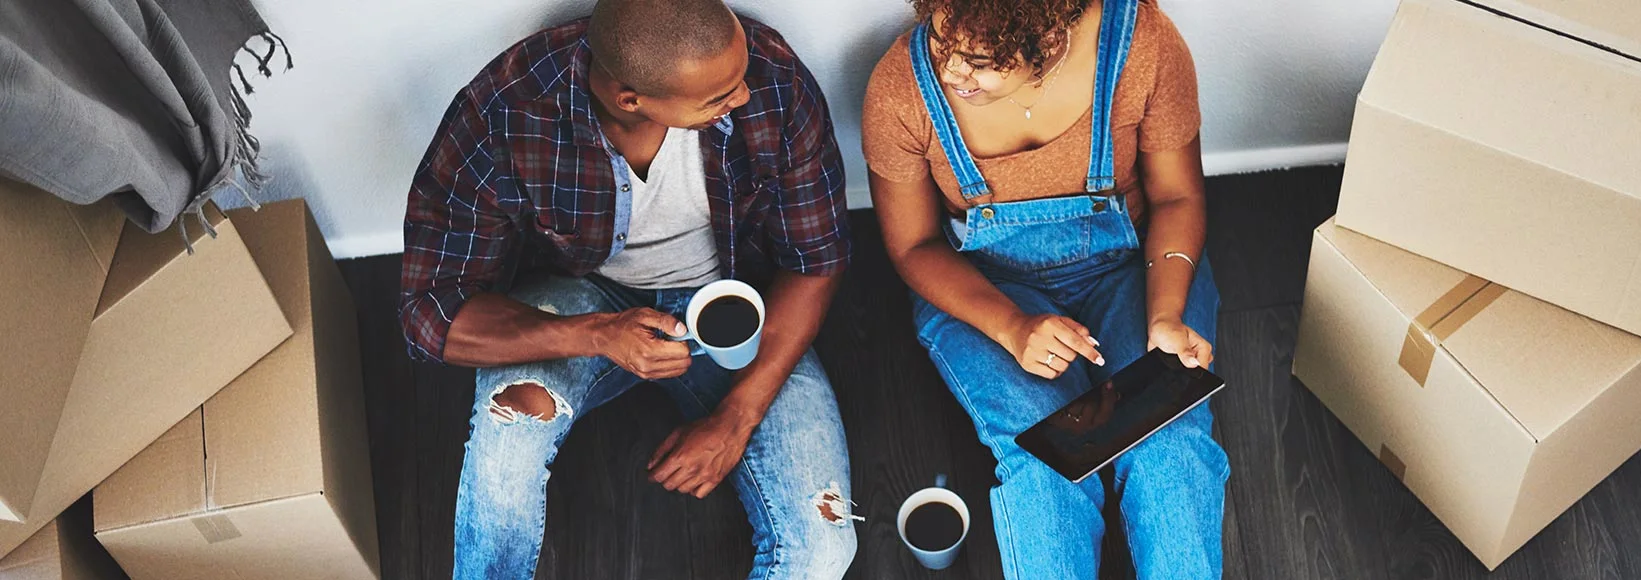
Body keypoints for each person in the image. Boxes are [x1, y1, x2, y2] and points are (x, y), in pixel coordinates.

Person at [397, 0, 859, 576]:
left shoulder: (770, 77)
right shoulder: (506, 114)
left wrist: (735, 419)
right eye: (717, 99)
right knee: (509, 435)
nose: (741, 98)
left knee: (823, 546)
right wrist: (596, 334)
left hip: (733, 302)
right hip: (582, 299)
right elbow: (431, 314)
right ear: (630, 99)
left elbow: (817, 260)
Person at [861, 0, 1227, 577]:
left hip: (1133, 268)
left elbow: (1178, 198)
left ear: (1051, 36)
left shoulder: (1142, 45)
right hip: (984, 288)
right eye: (940, 40)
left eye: (978, 60)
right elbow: (912, 247)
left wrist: (1165, 316)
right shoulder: (900, 90)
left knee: (1170, 446)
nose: (950, 72)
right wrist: (1012, 326)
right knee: (1042, 458)